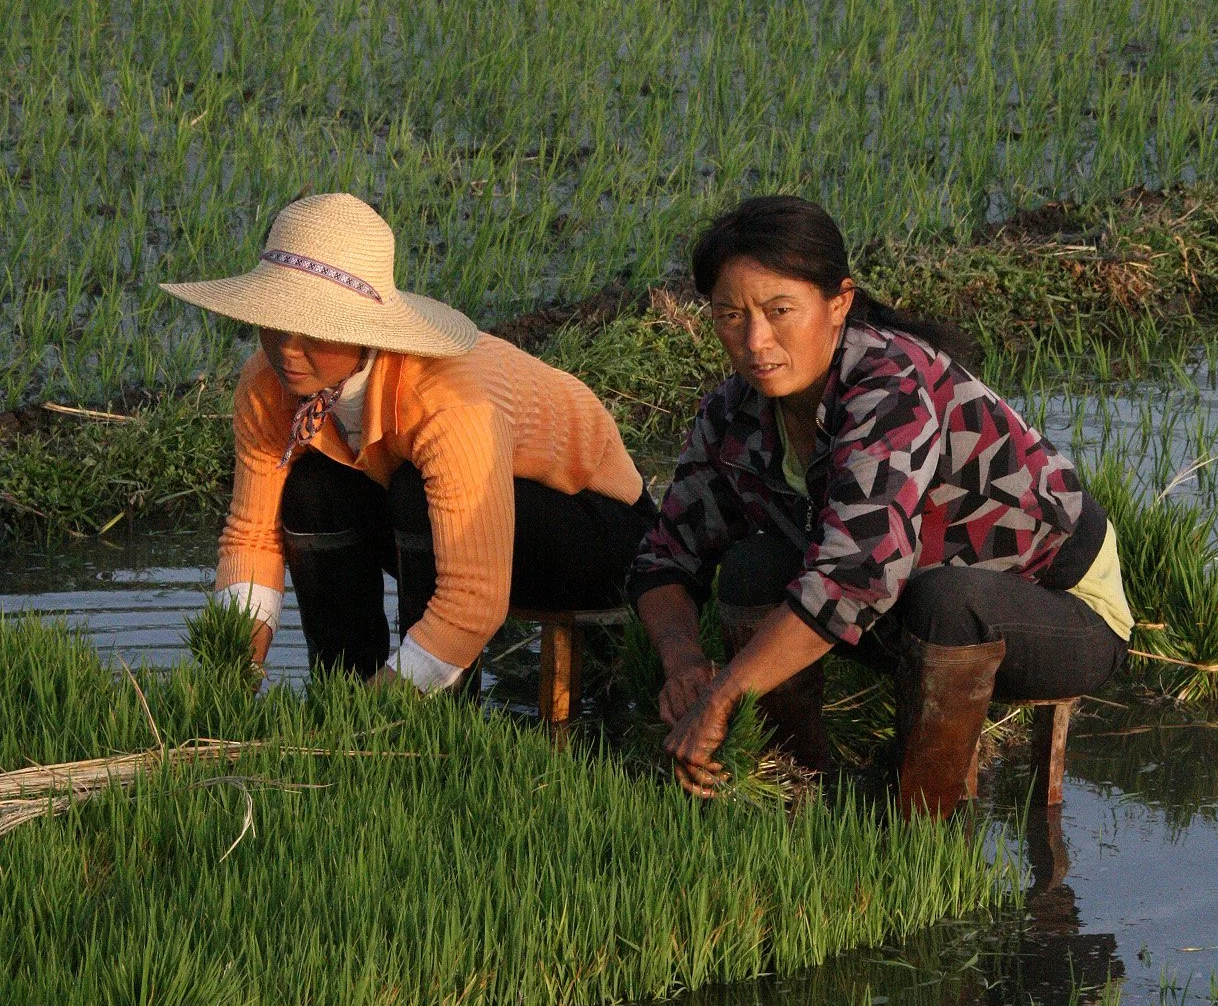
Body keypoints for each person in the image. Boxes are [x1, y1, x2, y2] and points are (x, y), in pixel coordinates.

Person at [629, 196, 1132, 815]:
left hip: (1058, 611)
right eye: (731, 316)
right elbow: (663, 556)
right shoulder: (732, 412)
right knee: (753, 567)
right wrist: (683, 662)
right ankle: (794, 794)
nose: (755, 341)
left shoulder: (892, 385)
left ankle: (923, 828)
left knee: (947, 603)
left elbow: (855, 578)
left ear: (838, 302)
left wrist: (722, 695)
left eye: (780, 311)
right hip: (902, 607)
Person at [162, 193, 654, 689]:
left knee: (414, 492)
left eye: (311, 330)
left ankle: (434, 718)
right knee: (313, 490)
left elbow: (474, 600)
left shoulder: (447, 399)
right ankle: (338, 685)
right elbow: (252, 535)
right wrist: (234, 675)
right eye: (274, 323)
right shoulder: (269, 386)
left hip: (607, 537)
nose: (287, 349)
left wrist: (380, 708)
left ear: (362, 330)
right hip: (463, 522)